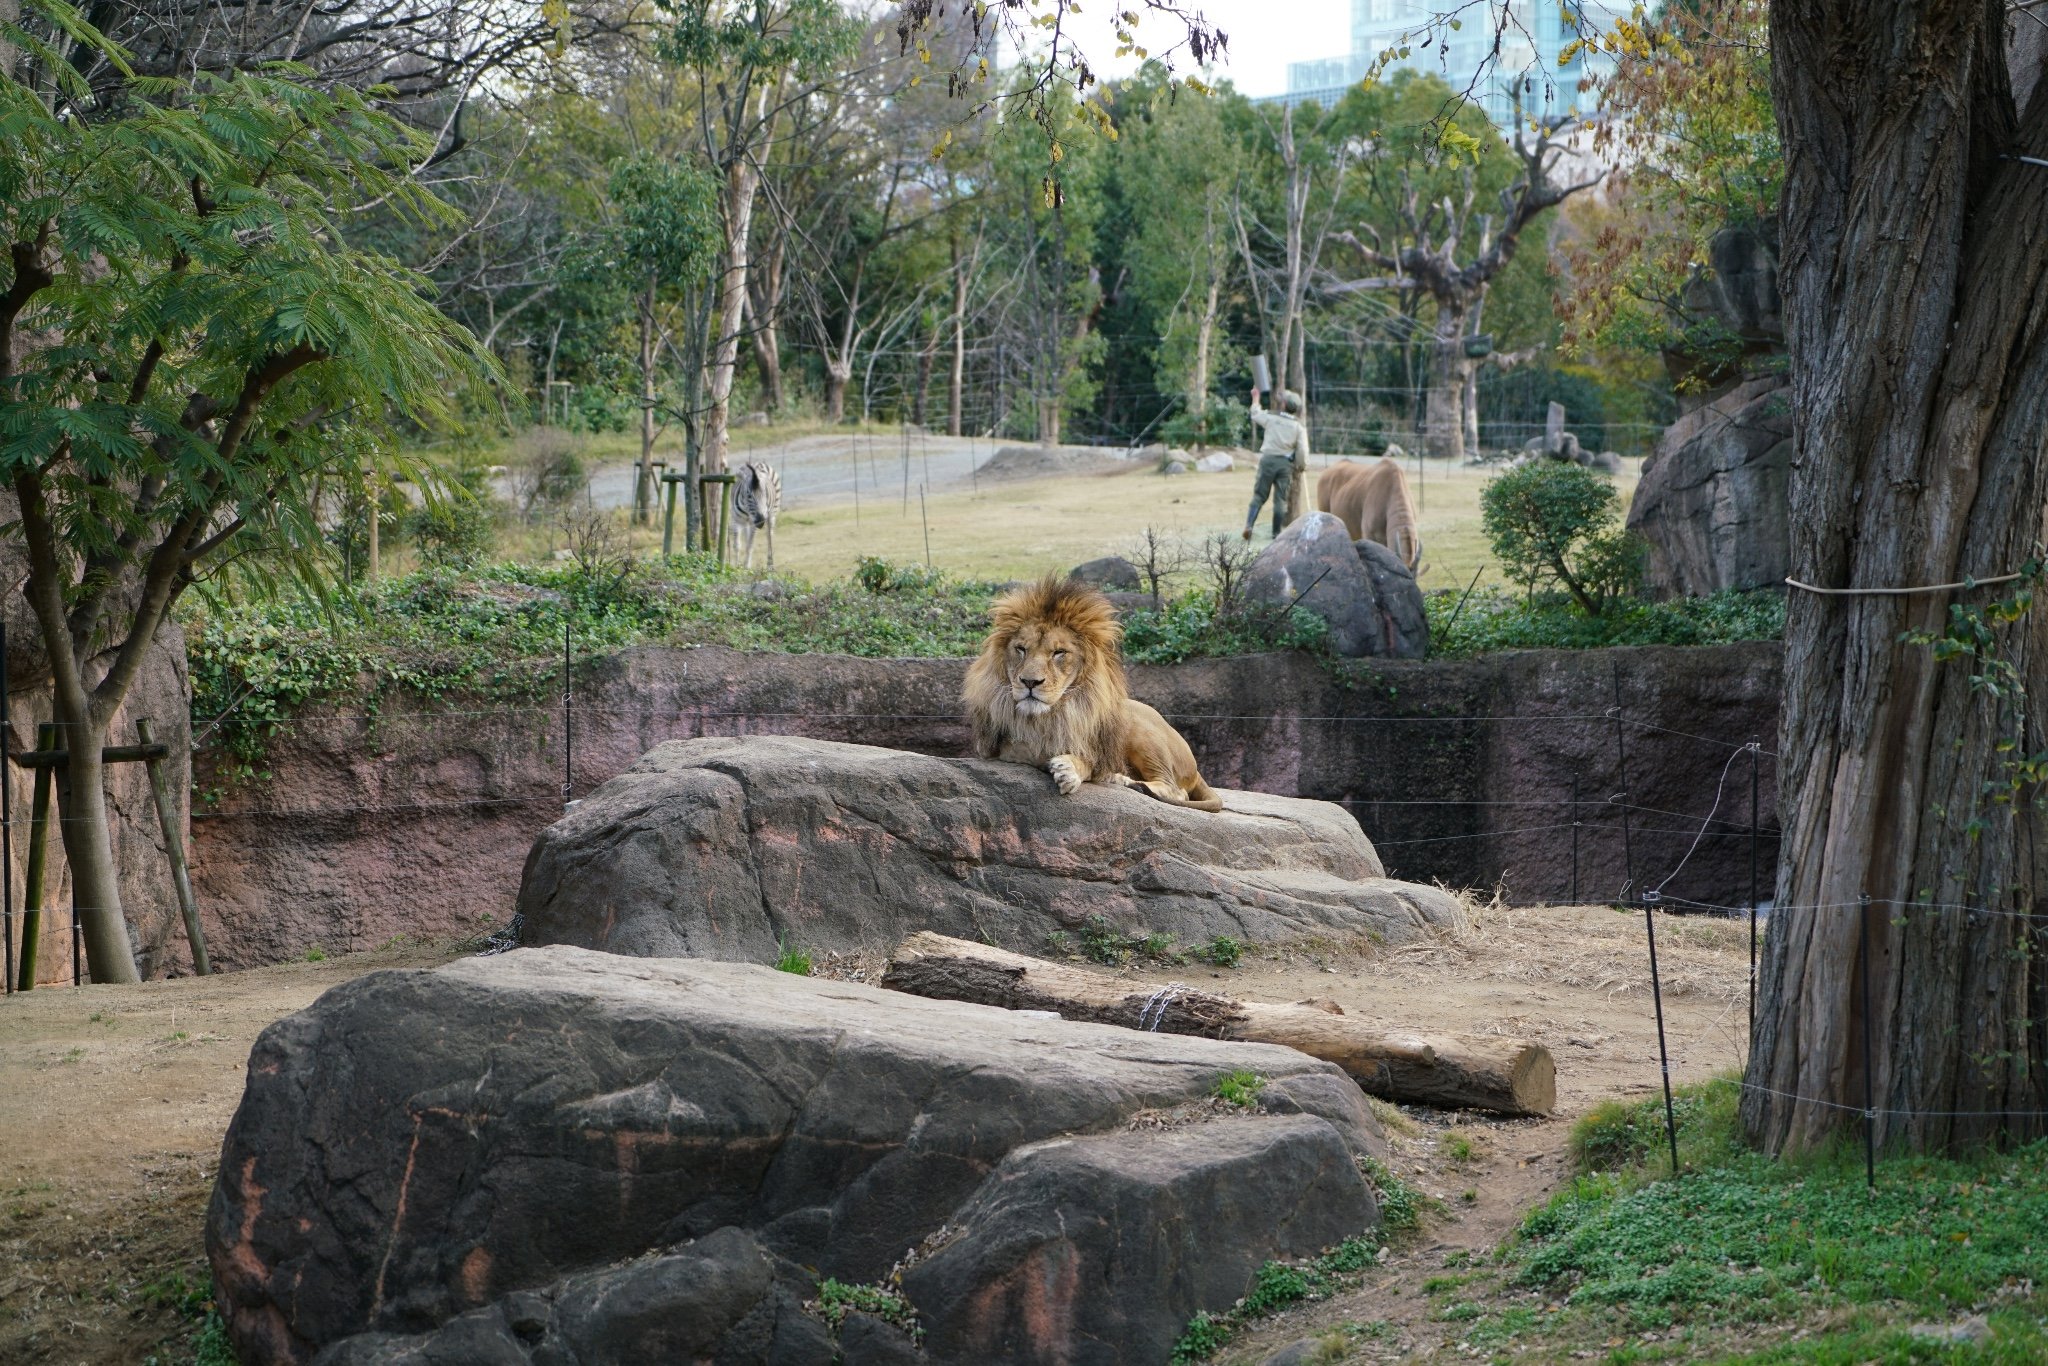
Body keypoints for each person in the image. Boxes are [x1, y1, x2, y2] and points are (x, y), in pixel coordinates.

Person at [1242, 388, 1309, 541]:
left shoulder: (1272, 418)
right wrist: (1301, 465)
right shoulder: (1298, 427)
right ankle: (1276, 534)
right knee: (1280, 500)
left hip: (1267, 460)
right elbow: (1302, 451)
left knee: (1259, 496)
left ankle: (1249, 526)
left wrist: (1256, 398)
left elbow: (1255, 414)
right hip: (1285, 465)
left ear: (1284, 404)